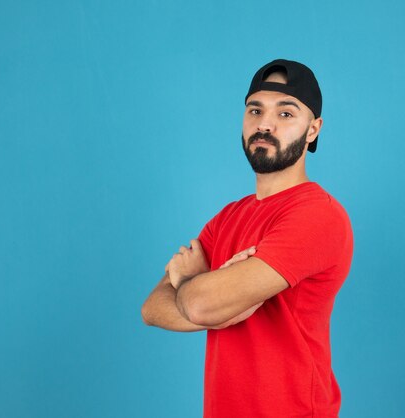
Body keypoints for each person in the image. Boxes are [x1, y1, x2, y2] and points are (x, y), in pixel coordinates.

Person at [142, 59, 353, 418]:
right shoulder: (228, 217)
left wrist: (190, 282)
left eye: (286, 114)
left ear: (313, 129)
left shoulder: (317, 214)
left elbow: (198, 306)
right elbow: (151, 309)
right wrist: (218, 304)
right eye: (255, 110)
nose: (265, 124)